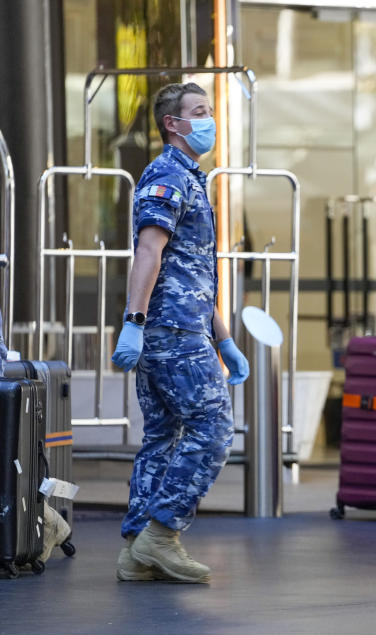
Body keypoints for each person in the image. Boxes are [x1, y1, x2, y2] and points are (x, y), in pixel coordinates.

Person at [111, 82, 249, 584]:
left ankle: (136, 551)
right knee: (213, 430)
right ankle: (162, 534)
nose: (209, 119)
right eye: (199, 111)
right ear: (173, 123)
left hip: (182, 325)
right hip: (169, 330)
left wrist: (225, 338)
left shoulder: (190, 177)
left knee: (165, 436)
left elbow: (191, 273)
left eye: (209, 110)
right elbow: (148, 252)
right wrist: (134, 322)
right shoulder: (168, 174)